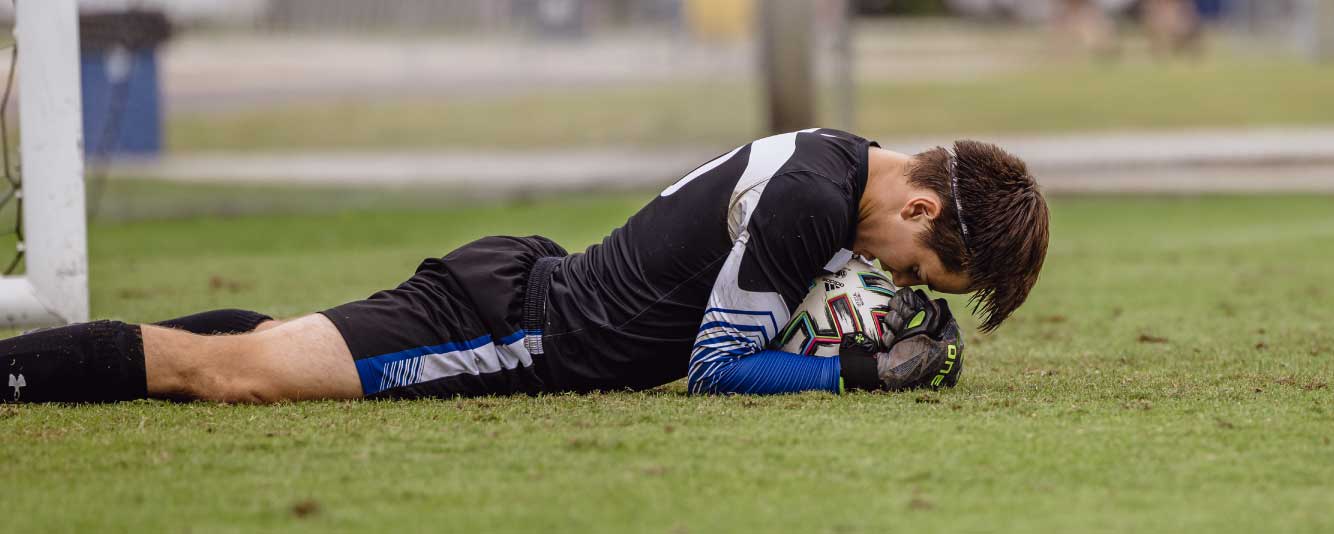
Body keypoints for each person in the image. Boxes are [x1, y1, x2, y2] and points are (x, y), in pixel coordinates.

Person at [1, 129, 1049, 403]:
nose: (898, 286)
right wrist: (864, 371)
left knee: (266, 348)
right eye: (919, 271)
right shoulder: (815, 199)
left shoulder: (836, 161)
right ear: (917, 205)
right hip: (518, 332)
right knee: (232, 373)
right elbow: (719, 371)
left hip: (520, 294)